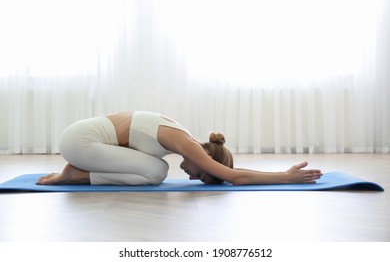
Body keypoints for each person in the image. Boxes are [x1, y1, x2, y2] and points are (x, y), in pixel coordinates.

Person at [36, 111, 323, 186]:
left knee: (154, 170)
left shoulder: (181, 135)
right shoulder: (188, 144)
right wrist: (284, 177)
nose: (190, 176)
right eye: (200, 174)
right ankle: (75, 175)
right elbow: (234, 177)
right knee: (156, 172)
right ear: (207, 157)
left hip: (79, 139)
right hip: (82, 142)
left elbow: (227, 173)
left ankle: (77, 173)